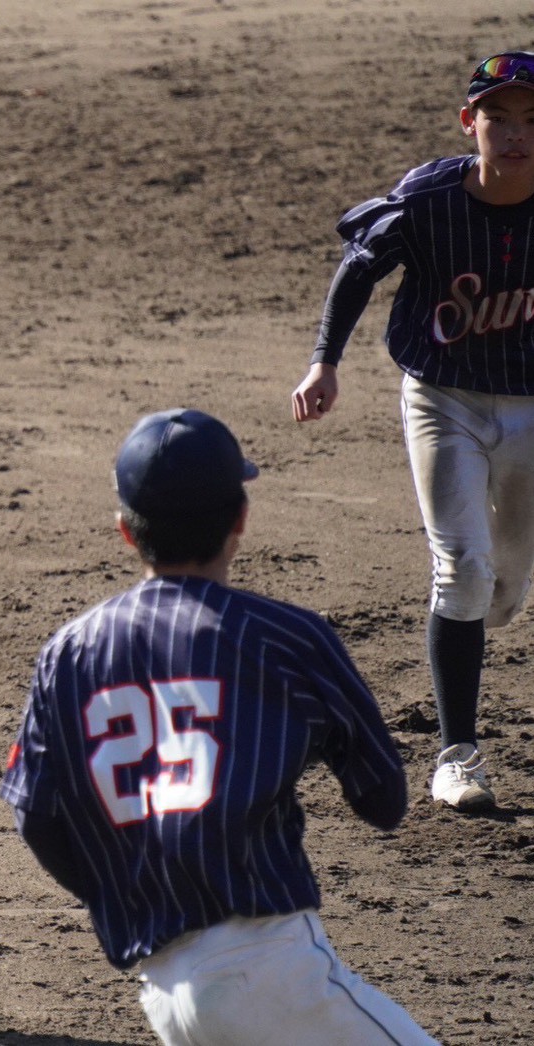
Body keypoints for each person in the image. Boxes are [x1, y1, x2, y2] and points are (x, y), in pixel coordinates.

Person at [0, 409, 437, 1045]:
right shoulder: (287, 638)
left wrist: (119, 890)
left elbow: (35, 815)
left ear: (125, 531)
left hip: (164, 991)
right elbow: (384, 801)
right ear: (240, 519)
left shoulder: (67, 653)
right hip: (272, 970)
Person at [291, 51, 534, 811]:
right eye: (498, 117)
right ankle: (457, 757)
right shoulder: (428, 199)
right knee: (461, 571)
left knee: (505, 585)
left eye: (532, 120)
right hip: (442, 399)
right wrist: (324, 363)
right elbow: (358, 269)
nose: (515, 134)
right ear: (469, 124)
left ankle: (496, 595)